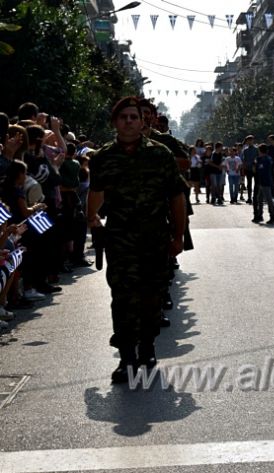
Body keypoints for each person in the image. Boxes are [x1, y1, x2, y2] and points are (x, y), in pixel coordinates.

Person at [87, 97, 187, 384]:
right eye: (123, 117)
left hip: (155, 238)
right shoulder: (103, 157)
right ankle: (127, 357)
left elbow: (176, 197)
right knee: (121, 297)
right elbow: (96, 192)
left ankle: (148, 347)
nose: (129, 121)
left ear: (143, 122)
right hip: (119, 239)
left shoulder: (160, 155)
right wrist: (91, 217)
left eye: (134, 117)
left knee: (151, 294)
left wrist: (178, 235)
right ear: (115, 123)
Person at [253, 144, 274, 225]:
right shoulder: (265, 158)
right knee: (259, 199)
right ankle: (259, 215)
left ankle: (273, 216)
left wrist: (255, 164)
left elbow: (259, 169)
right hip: (262, 181)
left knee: (268, 199)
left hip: (265, 181)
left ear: (260, 151)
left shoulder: (264, 159)